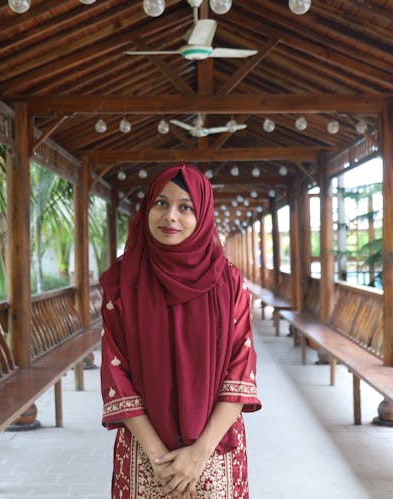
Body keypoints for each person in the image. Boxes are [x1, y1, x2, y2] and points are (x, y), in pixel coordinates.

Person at [99, 163, 261, 498]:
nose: (170, 216)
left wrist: (199, 453)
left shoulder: (228, 281)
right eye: (161, 203)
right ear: (146, 209)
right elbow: (116, 373)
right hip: (146, 450)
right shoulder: (123, 279)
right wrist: (160, 459)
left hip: (214, 449)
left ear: (202, 215)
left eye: (185, 207)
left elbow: (240, 371)